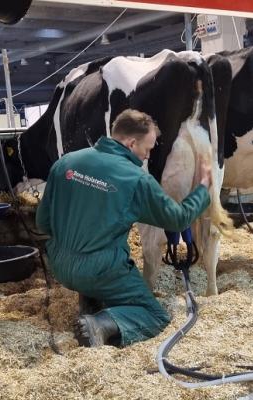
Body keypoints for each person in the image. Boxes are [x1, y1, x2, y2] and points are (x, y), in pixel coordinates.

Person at [35, 109, 213, 347]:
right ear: (131, 143)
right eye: (147, 149)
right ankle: (101, 323)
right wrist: (202, 188)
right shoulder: (135, 179)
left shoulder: (65, 163)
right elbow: (178, 219)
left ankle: (90, 302)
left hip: (59, 265)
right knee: (155, 316)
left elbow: (42, 223)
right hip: (100, 271)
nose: (147, 156)